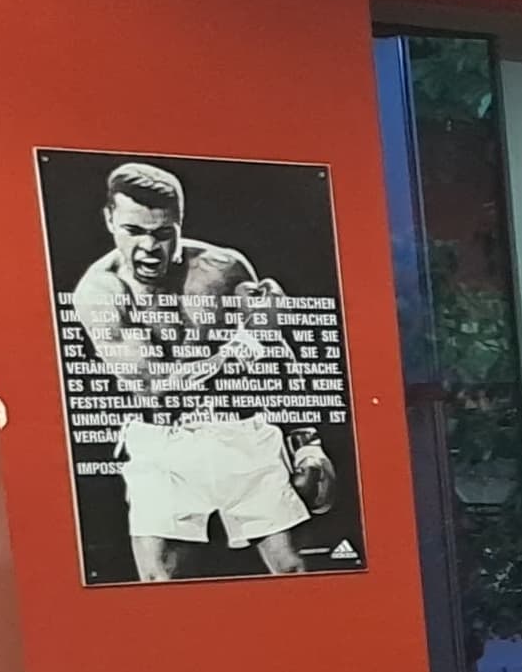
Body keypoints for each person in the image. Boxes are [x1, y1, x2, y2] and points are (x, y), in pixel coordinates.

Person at [67, 162, 337, 579]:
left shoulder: (224, 268)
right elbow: (152, 384)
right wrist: (240, 348)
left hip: (242, 430)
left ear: (180, 222)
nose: (149, 247)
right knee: (161, 582)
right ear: (109, 220)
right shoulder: (101, 290)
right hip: (162, 438)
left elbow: (276, 352)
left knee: (294, 569)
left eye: (163, 232)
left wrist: (308, 444)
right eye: (133, 231)